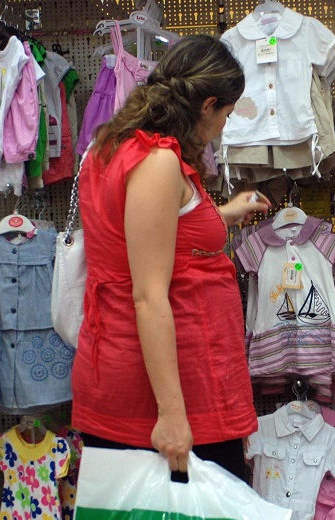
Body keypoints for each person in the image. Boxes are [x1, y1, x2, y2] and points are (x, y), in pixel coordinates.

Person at [70, 34, 270, 480]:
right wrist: (173, 415)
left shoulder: (109, 147)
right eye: (226, 113)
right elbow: (148, 295)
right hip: (167, 386)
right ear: (208, 105)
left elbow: (152, 238)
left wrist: (224, 214)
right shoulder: (157, 161)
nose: (223, 125)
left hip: (139, 369)